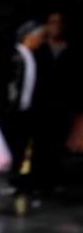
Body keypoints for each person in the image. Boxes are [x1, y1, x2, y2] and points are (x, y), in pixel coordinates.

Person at [0, 20, 47, 194]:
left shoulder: (35, 57)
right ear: (28, 37)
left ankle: (7, 177)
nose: (41, 40)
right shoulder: (12, 55)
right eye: (39, 36)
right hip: (8, 108)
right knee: (2, 144)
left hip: (24, 109)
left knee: (17, 144)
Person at [33, 11, 79, 189]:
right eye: (52, 23)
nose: (56, 27)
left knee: (57, 141)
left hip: (62, 103)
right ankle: (37, 177)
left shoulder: (71, 50)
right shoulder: (40, 49)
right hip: (40, 102)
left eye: (59, 23)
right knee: (40, 141)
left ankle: (52, 178)